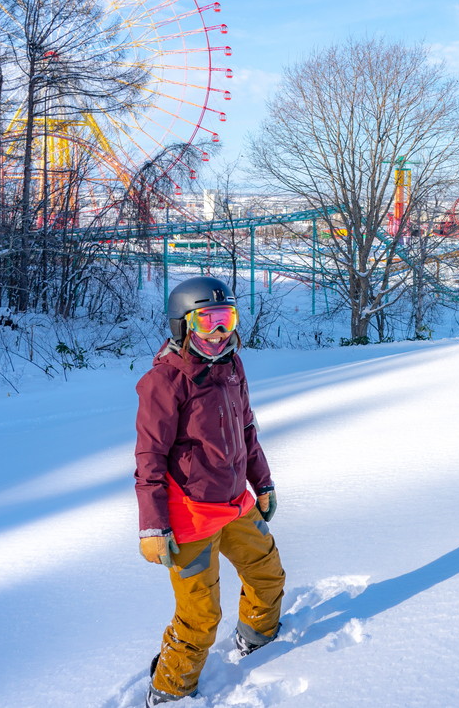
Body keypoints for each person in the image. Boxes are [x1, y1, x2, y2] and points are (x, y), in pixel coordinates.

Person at [133, 276, 285, 705]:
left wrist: (263, 482)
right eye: (207, 322)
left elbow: (246, 429)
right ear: (182, 325)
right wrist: (152, 526)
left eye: (226, 319)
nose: (219, 333)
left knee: (267, 575)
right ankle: (170, 690)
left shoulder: (233, 366)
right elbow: (149, 459)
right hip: (190, 515)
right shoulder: (163, 383)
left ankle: (260, 642)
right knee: (200, 617)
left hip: (237, 503)